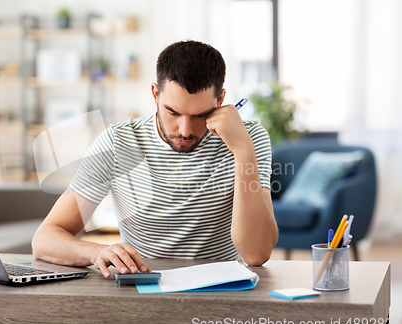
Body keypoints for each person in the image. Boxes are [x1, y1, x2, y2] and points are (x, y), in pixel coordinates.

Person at [32, 40, 278, 278]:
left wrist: (243, 150)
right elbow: (45, 240)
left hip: (224, 289)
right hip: (145, 288)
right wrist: (97, 251)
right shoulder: (119, 141)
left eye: (200, 115)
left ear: (221, 101)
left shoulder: (248, 138)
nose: (185, 130)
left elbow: (256, 254)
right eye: (173, 112)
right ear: (155, 94)